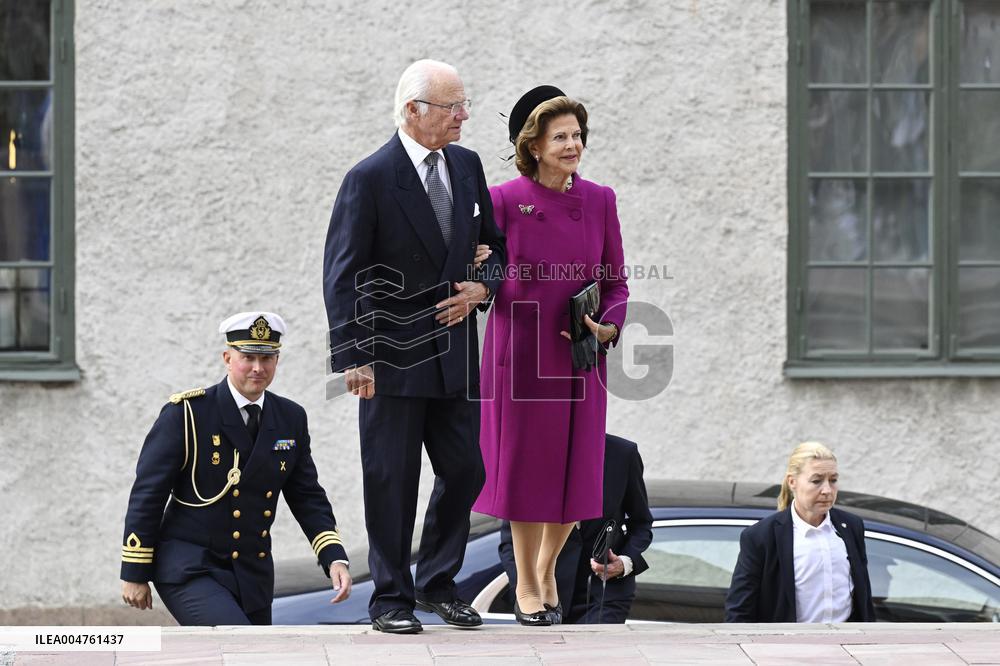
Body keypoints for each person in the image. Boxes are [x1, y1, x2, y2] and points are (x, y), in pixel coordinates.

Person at [322, 59, 506, 634]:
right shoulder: (370, 177)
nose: (464, 115)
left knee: (467, 470)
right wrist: (353, 357)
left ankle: (437, 583)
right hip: (390, 360)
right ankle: (390, 599)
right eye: (453, 106)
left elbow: (495, 248)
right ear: (412, 110)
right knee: (392, 482)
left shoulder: (467, 165)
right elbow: (342, 275)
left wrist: (484, 287)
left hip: (454, 356)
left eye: (464, 104)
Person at [473, 85, 629, 626]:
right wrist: (484, 271)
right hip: (520, 352)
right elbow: (482, 272)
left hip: (579, 354)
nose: (572, 145)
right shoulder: (501, 200)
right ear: (533, 146)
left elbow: (616, 282)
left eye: (577, 135)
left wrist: (609, 326)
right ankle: (526, 584)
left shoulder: (601, 199)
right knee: (526, 469)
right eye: (560, 136)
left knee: (576, 470)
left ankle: (544, 568)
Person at [119, 312, 352, 625]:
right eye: (248, 358)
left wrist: (333, 557)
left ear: (277, 361)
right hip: (191, 566)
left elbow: (307, 496)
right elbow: (148, 494)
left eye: (267, 358)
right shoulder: (187, 414)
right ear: (227, 359)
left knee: (253, 649)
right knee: (240, 644)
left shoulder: (290, 417)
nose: (258, 368)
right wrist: (134, 572)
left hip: (252, 573)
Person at [499, 434, 652, 624]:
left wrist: (625, 562)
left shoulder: (623, 453)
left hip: (606, 596)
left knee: (596, 644)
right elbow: (509, 543)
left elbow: (641, 523)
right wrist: (528, 591)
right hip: (545, 599)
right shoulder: (533, 456)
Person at [724, 442, 876, 623]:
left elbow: (863, 598)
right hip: (792, 640)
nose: (827, 490)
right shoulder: (761, 536)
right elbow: (739, 612)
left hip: (846, 638)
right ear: (792, 482)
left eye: (833, 480)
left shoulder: (851, 526)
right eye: (816, 481)